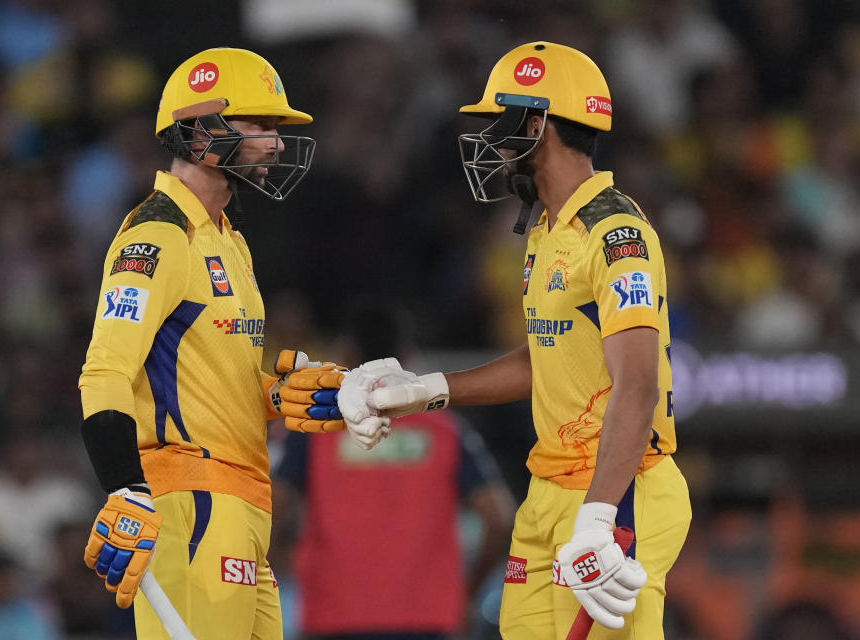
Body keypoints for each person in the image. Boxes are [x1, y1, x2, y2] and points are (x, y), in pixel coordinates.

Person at [339, 42, 691, 640]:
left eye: (498, 123)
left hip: (616, 490)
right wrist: (422, 390)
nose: (492, 145)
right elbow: (545, 361)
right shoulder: (547, 230)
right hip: (550, 490)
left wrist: (598, 520)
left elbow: (637, 385)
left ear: (537, 124)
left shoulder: (616, 234)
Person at [78, 47, 382, 639]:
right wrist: (126, 489)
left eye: (275, 128)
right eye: (259, 125)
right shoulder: (158, 235)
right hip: (190, 507)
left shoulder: (229, 242)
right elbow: (104, 370)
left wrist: (278, 394)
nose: (273, 143)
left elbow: (203, 375)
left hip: (241, 508)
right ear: (201, 129)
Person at [271, 302, 516, 640]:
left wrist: (276, 569)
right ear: (406, 356)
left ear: (344, 352)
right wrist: (468, 592)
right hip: (429, 618)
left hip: (333, 614)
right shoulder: (446, 431)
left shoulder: (319, 430)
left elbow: (273, 507)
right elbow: (498, 516)